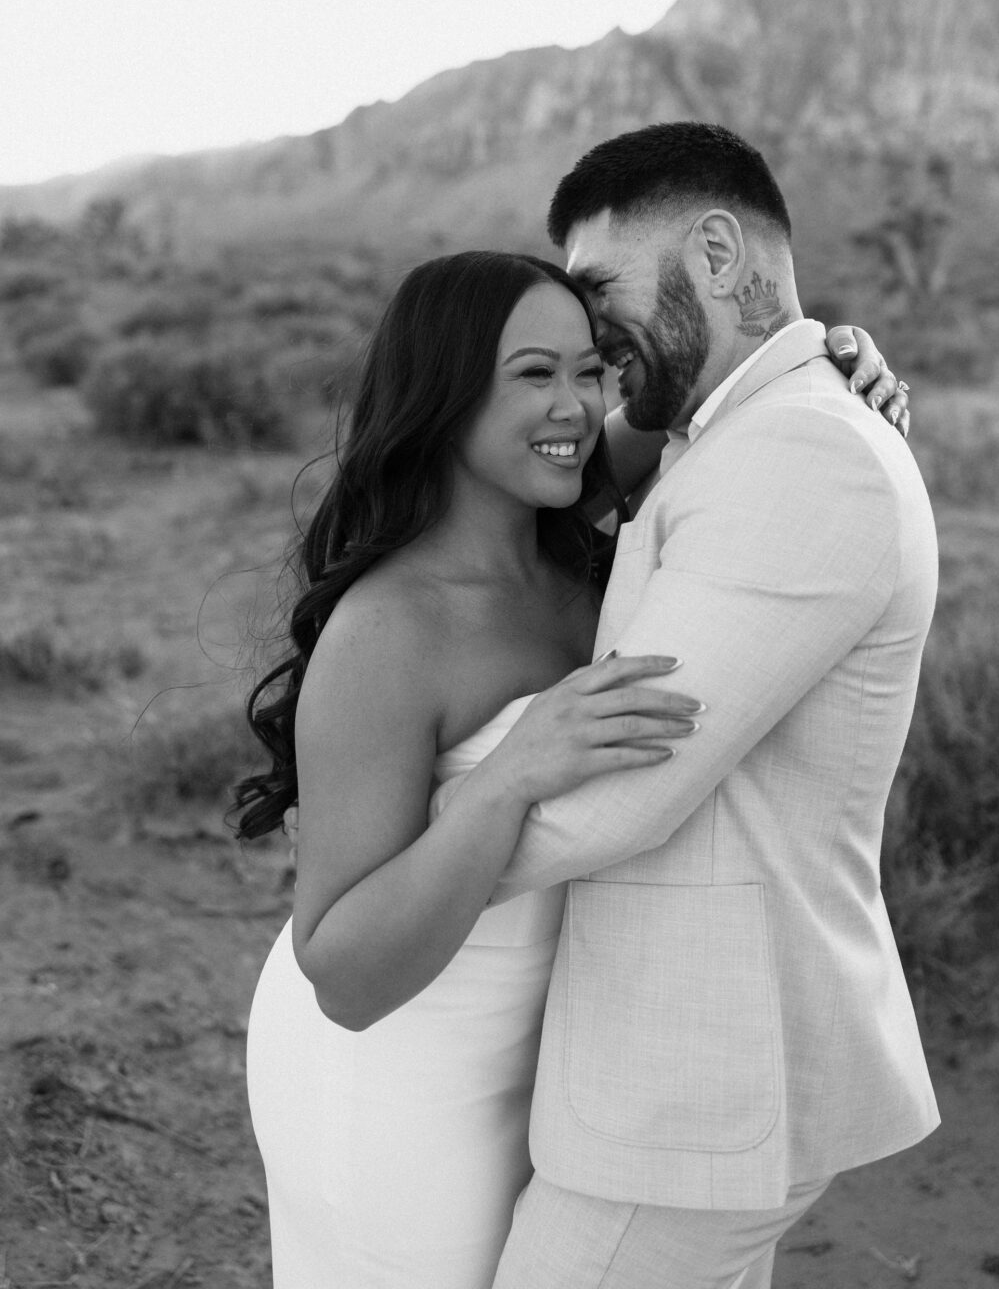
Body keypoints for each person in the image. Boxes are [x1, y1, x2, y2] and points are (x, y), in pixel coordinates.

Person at [237, 242, 908, 1288]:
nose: (575, 403)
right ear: (446, 396)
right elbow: (347, 975)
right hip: (400, 1070)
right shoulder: (390, 630)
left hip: (562, 1059)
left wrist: (835, 360)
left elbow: (736, 407)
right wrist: (509, 776)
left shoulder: (578, 537)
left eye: (590, 369)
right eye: (533, 375)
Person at [427, 122, 940, 1289]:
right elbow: (575, 473)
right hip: (680, 1069)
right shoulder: (725, 431)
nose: (587, 330)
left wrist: (387, 845)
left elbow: (619, 796)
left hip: (693, 1084)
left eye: (601, 286)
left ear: (717, 249)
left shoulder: (799, 450)